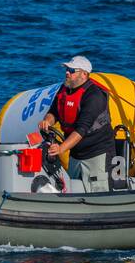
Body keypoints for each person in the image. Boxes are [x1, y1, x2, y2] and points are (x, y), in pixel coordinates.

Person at [39, 56, 116, 192]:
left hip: (97, 153)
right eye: (67, 69)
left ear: (84, 74)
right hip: (76, 154)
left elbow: (81, 130)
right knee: (74, 189)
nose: (67, 73)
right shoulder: (64, 89)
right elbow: (53, 112)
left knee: (98, 193)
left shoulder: (94, 96)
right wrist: (47, 121)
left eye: (72, 70)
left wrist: (61, 149)